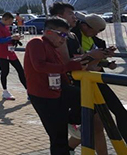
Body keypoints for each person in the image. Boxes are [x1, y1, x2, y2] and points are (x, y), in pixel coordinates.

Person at [24, 16, 104, 155]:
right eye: (61, 35)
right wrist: (69, 66)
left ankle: (70, 120)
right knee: (58, 138)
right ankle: (66, 122)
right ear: (49, 32)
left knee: (88, 99)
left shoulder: (53, 48)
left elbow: (62, 68)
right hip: (43, 96)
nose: (64, 39)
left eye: (66, 36)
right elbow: (40, 66)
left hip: (59, 90)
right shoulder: (36, 43)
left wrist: (86, 62)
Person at [71, 13, 126, 142]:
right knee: (94, 124)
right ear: (84, 26)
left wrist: (107, 61)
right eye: (95, 31)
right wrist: (94, 57)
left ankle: (70, 146)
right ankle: (69, 145)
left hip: (95, 79)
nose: (96, 34)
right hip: (82, 83)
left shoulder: (94, 39)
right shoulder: (72, 38)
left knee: (116, 114)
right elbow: (76, 61)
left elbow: (96, 60)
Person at [0, 12, 28, 100]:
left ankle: (28, 91)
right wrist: (11, 37)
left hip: (11, 52)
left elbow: (8, 38)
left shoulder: (5, 26)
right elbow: (0, 40)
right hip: (3, 53)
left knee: (20, 70)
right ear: (5, 19)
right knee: (5, 72)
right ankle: (5, 91)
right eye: (9, 21)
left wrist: (16, 39)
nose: (10, 23)